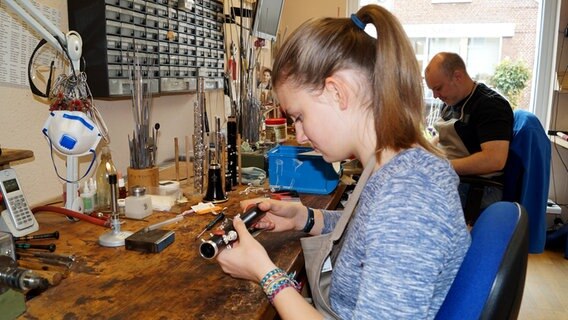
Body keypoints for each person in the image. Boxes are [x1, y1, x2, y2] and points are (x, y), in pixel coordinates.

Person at [216, 5, 470, 319]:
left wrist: (266, 273)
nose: (301, 135)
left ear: (337, 93)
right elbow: (370, 237)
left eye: (299, 117)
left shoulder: (408, 196)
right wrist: (303, 218)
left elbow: (392, 227)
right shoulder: (391, 167)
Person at [424, 52, 514, 209]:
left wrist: (443, 166)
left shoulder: (490, 105)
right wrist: (424, 150)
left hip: (476, 189)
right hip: (453, 178)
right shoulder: (450, 101)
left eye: (438, 88)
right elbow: (444, 137)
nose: (435, 96)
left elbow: (494, 159)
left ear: (457, 76)